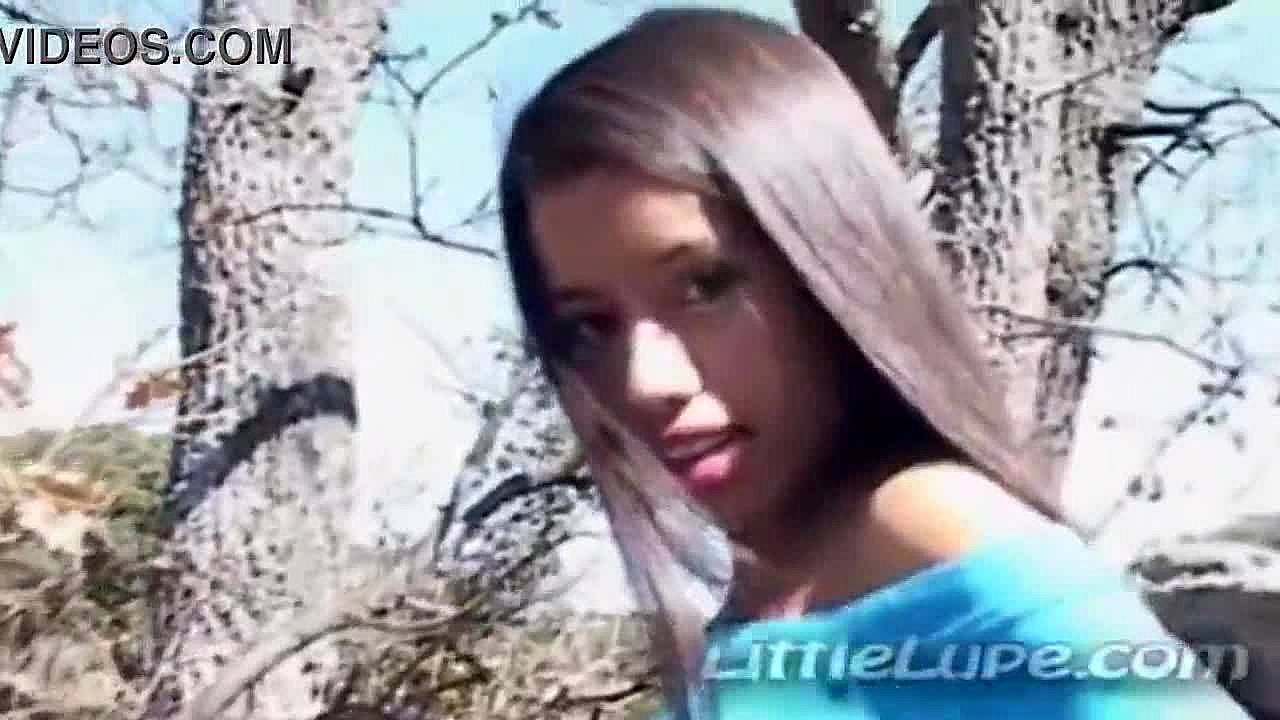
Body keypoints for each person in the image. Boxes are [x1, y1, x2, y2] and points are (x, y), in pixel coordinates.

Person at [495, 7, 1253, 719]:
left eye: (705, 286)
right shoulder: (773, 588)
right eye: (590, 325)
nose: (643, 381)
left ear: (829, 256)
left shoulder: (947, 546)